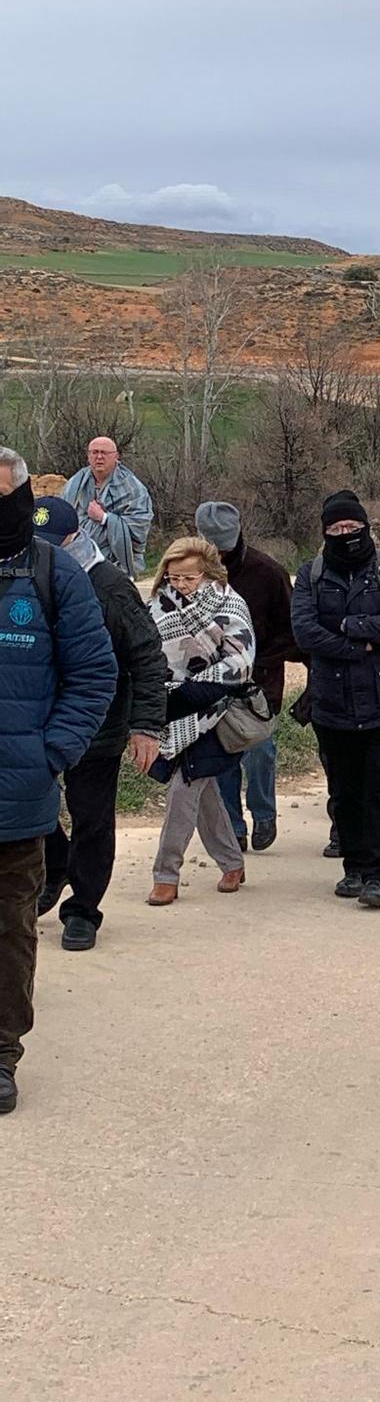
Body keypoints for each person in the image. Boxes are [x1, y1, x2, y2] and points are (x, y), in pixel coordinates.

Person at [0, 450, 115, 1112]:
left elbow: (94, 675)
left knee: (9, 933)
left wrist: (52, 753)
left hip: (17, 797)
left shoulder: (54, 575)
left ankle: (1, 1053)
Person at [34, 497, 167, 951]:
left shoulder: (110, 587)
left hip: (99, 724)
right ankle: (55, 864)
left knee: (92, 818)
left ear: (75, 538)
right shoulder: (24, 576)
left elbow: (148, 656)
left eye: (53, 543)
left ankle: (83, 910)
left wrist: (146, 725)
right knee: (31, 804)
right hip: (39, 723)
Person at [291, 492, 380, 908]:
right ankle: (354, 866)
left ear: (366, 527)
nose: (346, 534)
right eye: (336, 529)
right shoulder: (310, 574)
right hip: (333, 702)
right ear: (325, 532)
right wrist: (358, 647)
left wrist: (352, 624)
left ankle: (379, 874)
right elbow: (305, 632)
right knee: (344, 789)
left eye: (352, 527)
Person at [144, 537, 256, 907]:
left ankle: (166, 874)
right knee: (202, 792)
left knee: (184, 787)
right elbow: (145, 651)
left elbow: (242, 661)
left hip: (216, 709)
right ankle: (231, 862)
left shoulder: (229, 603)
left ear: (208, 573)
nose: (180, 585)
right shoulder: (158, 604)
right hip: (171, 708)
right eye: (174, 577)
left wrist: (199, 687)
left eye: (189, 578)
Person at [193, 501, 296, 854]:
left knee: (259, 749)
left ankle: (264, 813)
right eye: (212, 548)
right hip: (211, 678)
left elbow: (291, 631)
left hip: (259, 678)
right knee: (221, 752)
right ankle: (232, 826)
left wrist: (255, 661)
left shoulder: (267, 573)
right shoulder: (190, 573)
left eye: (223, 547)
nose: (218, 556)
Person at [62, 434, 153, 577]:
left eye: (104, 453)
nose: (99, 457)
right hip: (77, 560)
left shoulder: (132, 488)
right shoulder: (75, 484)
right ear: (88, 456)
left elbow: (140, 524)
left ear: (116, 456)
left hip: (116, 565)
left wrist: (104, 518)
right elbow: (63, 514)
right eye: (95, 452)